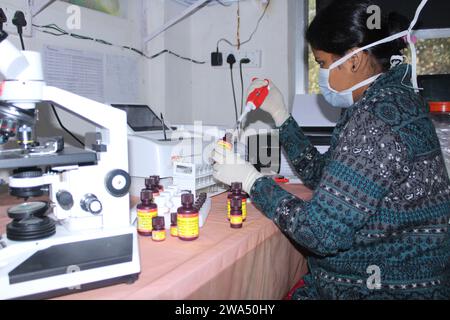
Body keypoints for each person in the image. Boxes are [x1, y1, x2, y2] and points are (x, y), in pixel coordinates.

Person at [212, 0, 450, 300]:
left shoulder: (376, 119)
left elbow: (320, 233)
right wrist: (282, 118)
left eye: (322, 63)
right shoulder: (389, 102)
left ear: (354, 60)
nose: (322, 74)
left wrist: (251, 181)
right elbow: (324, 176)